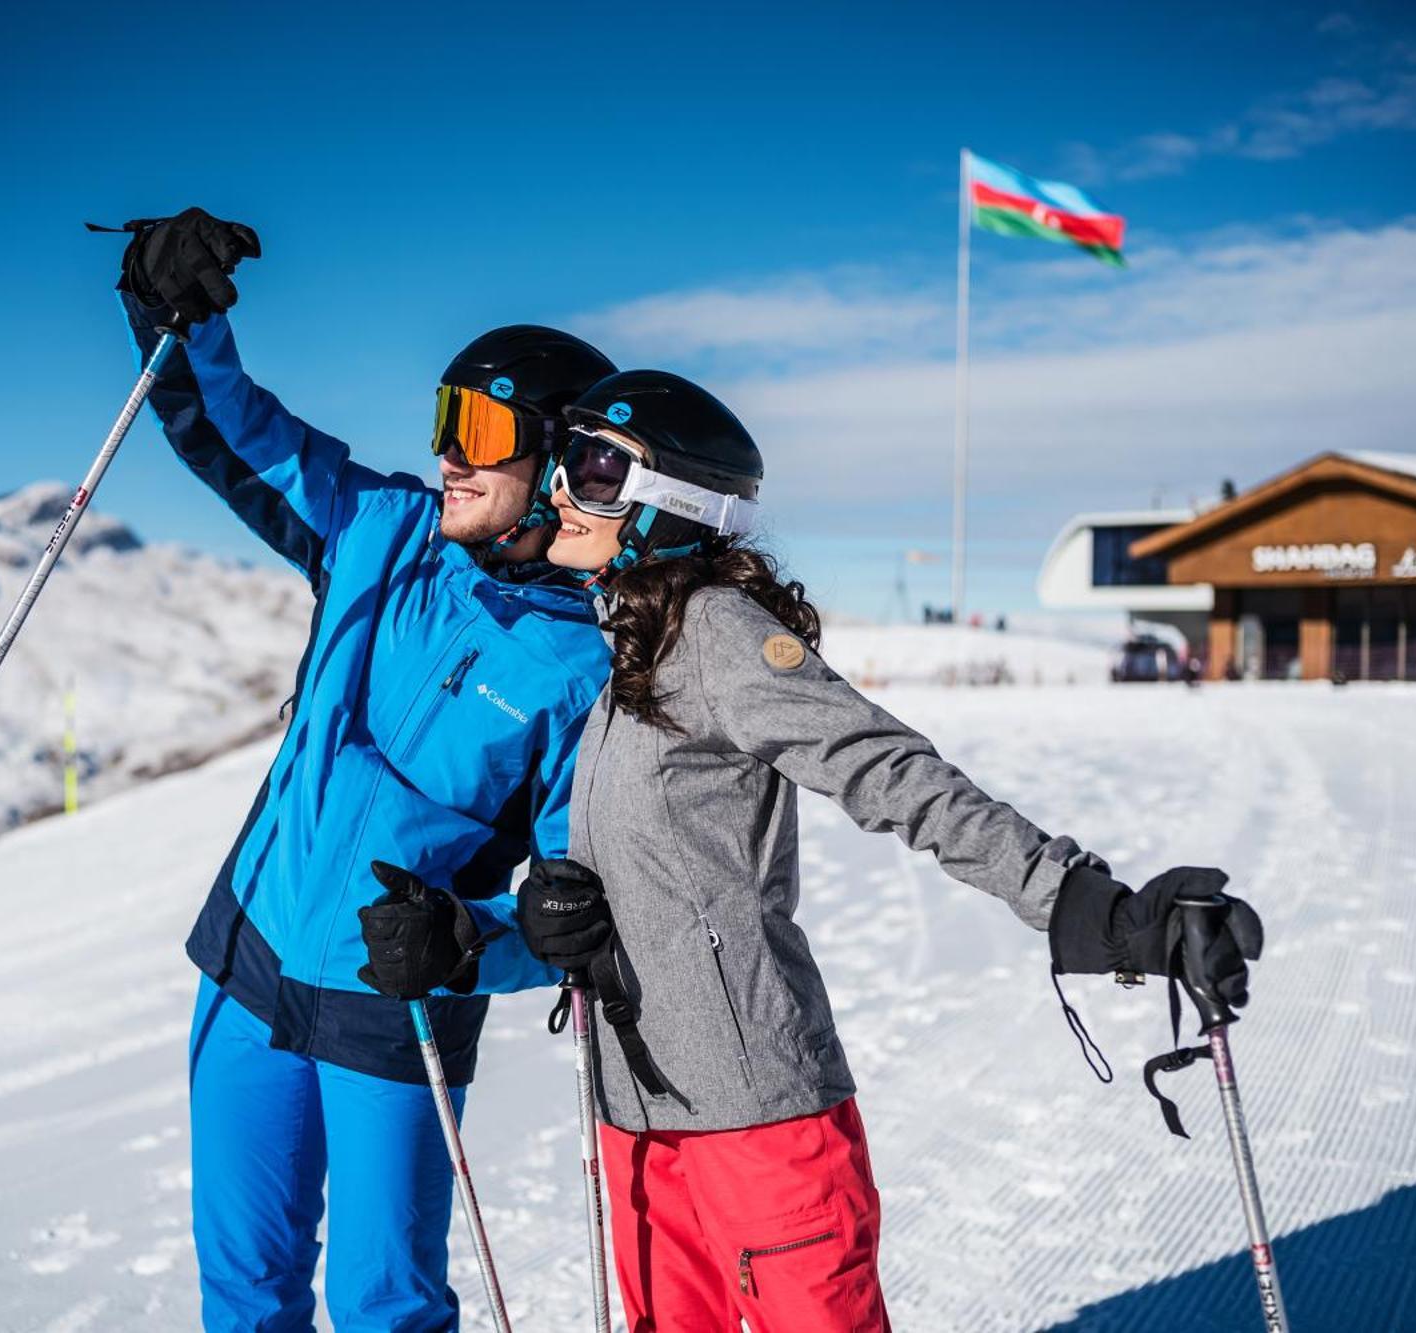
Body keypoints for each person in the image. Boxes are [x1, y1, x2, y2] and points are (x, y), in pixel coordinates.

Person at [509, 370, 1263, 1331]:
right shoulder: (626, 655)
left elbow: (889, 771)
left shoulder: (718, 634)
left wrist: (1084, 904)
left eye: (596, 466)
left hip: (754, 1117)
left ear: (675, 503)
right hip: (638, 1118)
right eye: (565, 462)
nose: (562, 490)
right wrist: (542, 915)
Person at [113, 207, 616, 1331]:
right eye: (445, 415)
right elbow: (237, 432)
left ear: (555, 464)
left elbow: (576, 916)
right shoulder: (377, 530)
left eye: (480, 428)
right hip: (247, 955)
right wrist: (171, 311)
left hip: (394, 1005)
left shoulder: (578, 672)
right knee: (243, 1283)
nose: (449, 449)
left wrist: (465, 947)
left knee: (385, 1305)